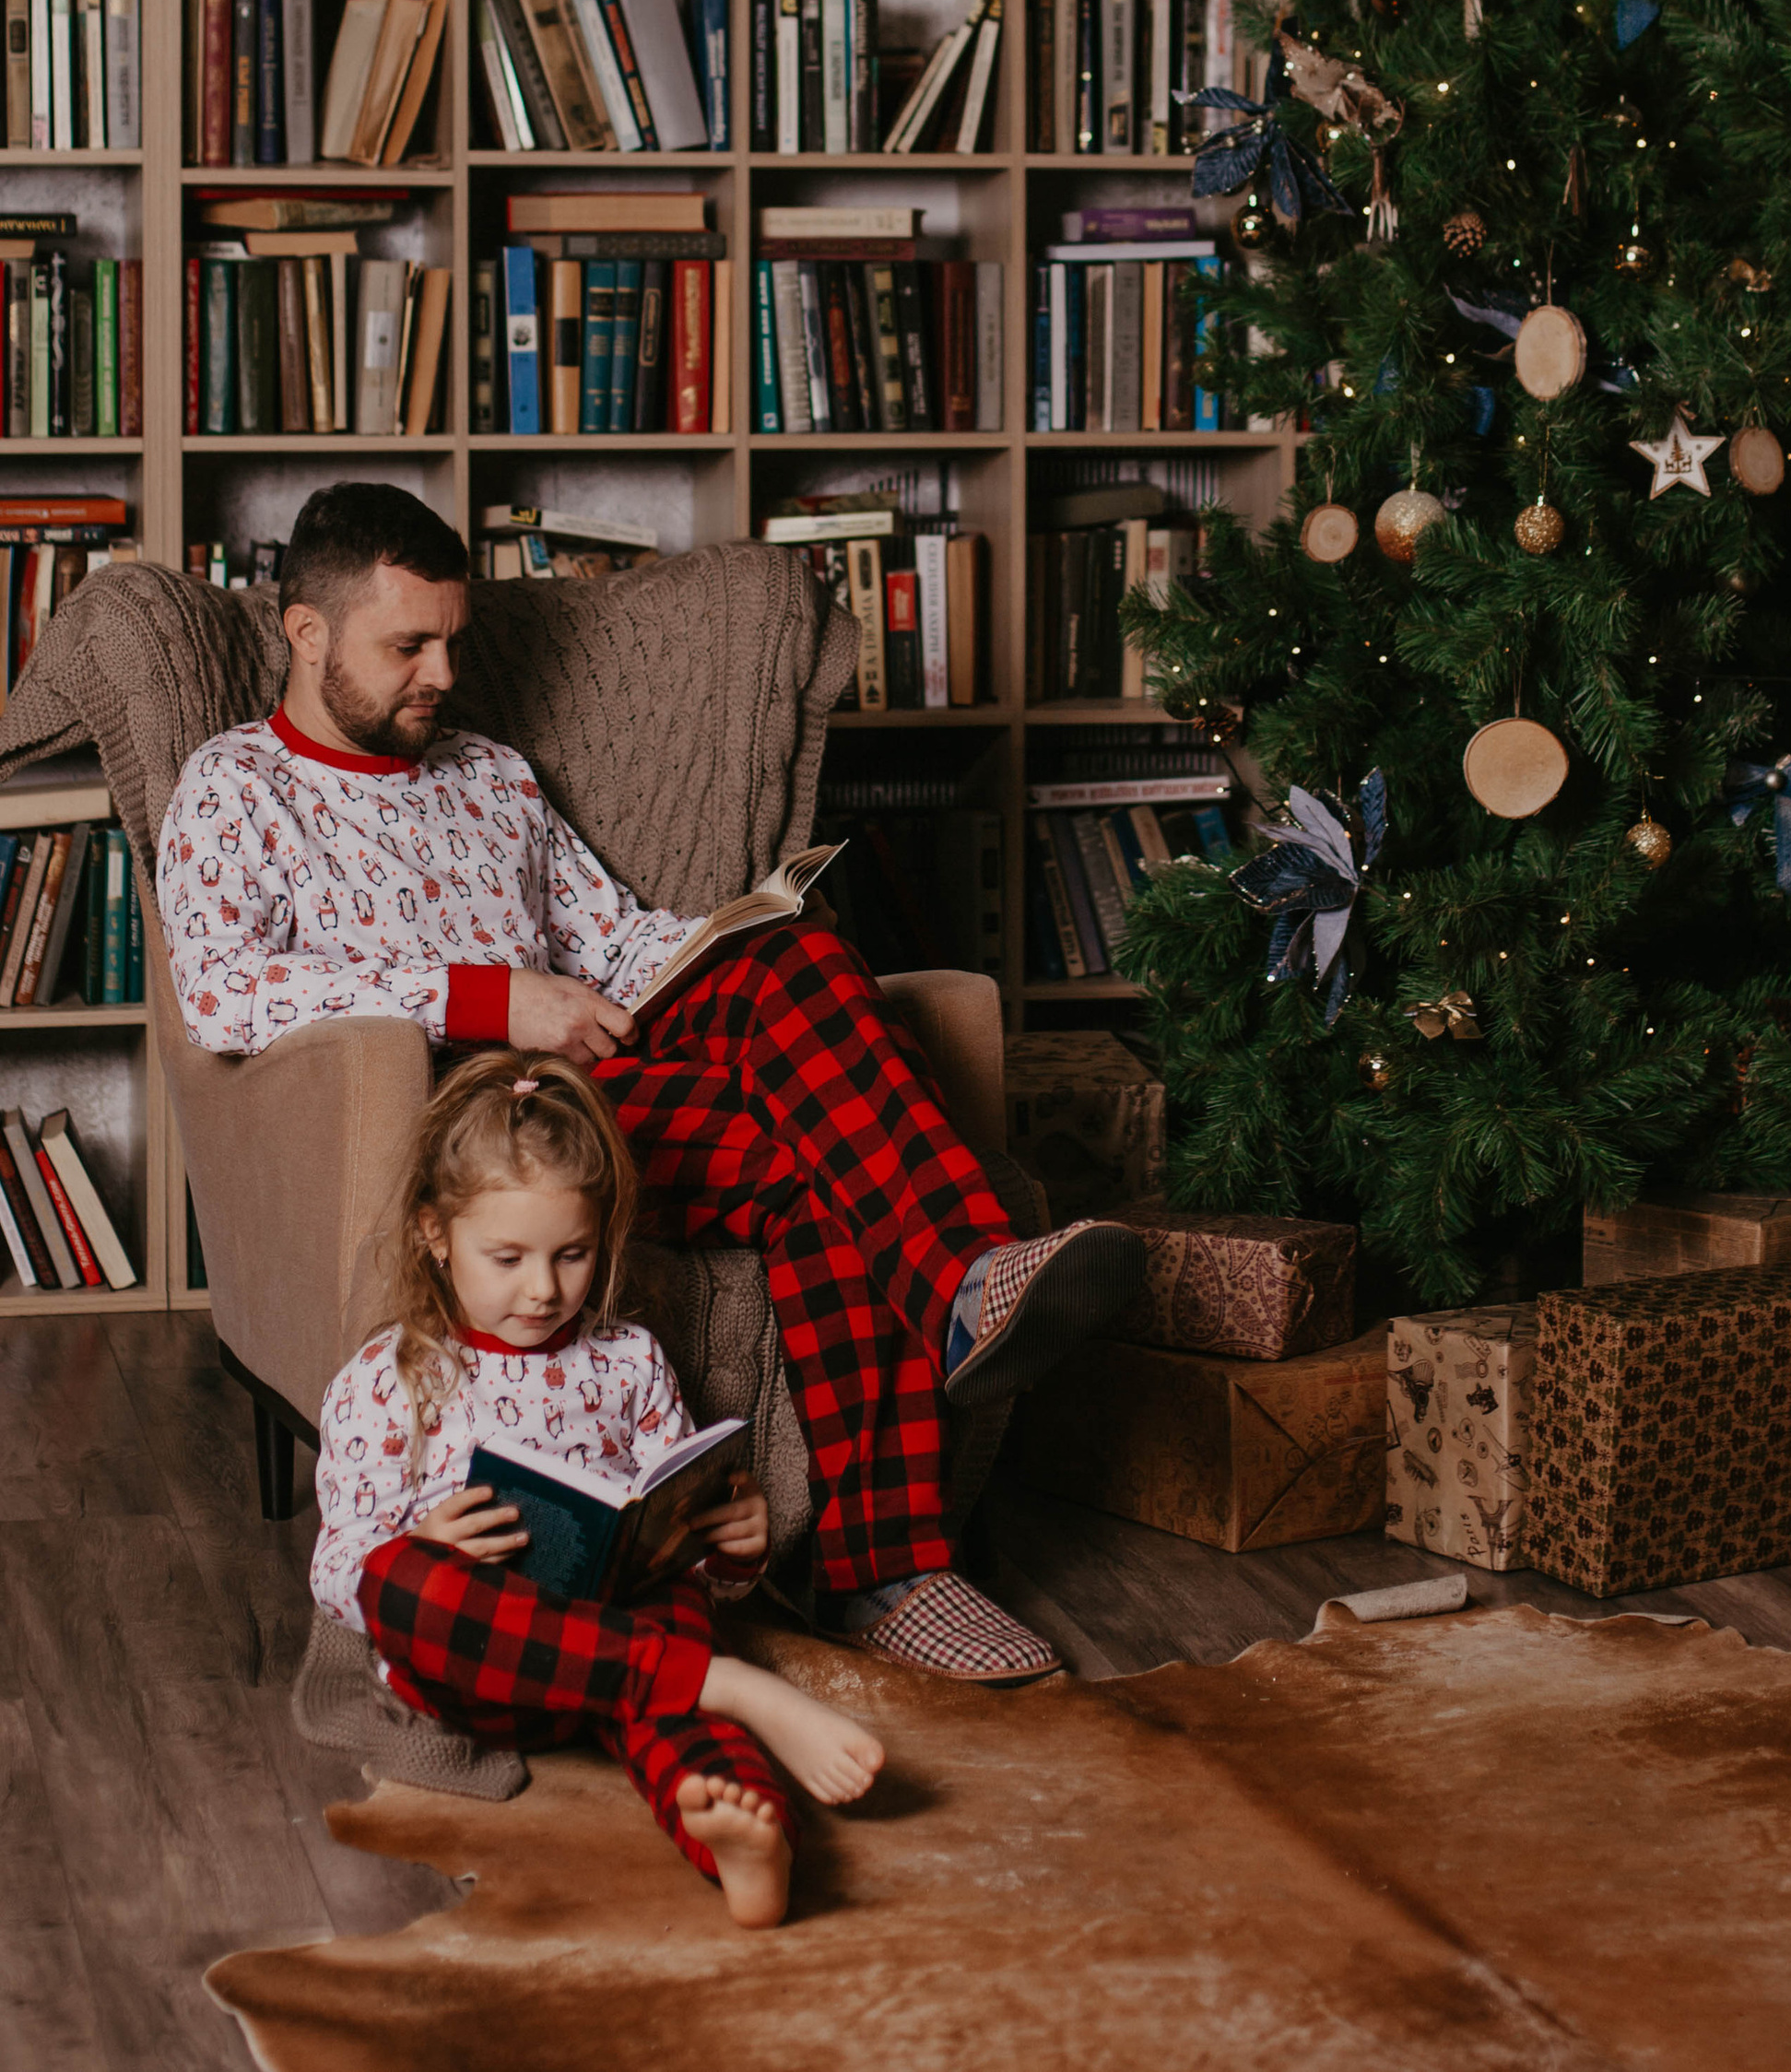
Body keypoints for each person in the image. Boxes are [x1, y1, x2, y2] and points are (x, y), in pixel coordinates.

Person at [160, 483, 1146, 1682]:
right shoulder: (235, 786)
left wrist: (737, 933)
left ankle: (967, 1282)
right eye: (408, 644)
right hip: (465, 1121)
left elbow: (613, 939)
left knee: (800, 960)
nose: (443, 673)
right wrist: (487, 998)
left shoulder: (490, 772)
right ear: (308, 631)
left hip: (590, 1075)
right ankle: (884, 1570)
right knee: (809, 1155)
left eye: (453, 641)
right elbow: (222, 992)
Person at [315, 1050, 880, 1925]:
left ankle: (751, 1845)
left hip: (620, 1628)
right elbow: (337, 1567)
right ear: (435, 1232)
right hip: (487, 1662)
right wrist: (421, 1542)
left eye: (572, 1254)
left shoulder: (628, 1359)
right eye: (507, 1257)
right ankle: (727, 1685)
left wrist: (731, 1546)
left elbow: (676, 1527)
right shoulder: (389, 1377)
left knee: (680, 1677)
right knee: (402, 1583)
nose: (544, 1289)